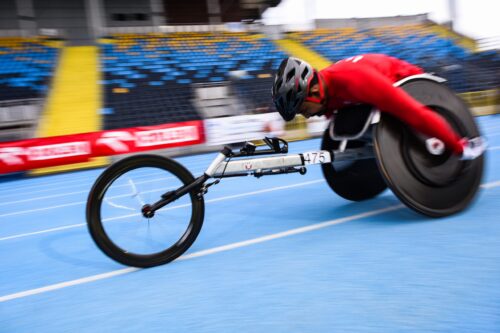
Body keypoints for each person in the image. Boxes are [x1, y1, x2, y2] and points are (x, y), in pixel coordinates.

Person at [271, 54, 486, 160]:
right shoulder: (324, 92)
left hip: (406, 78)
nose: (306, 117)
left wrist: (458, 148)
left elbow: (414, 113)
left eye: (302, 110)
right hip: (368, 86)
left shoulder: (356, 81)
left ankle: (462, 145)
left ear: (314, 92)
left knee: (407, 114)